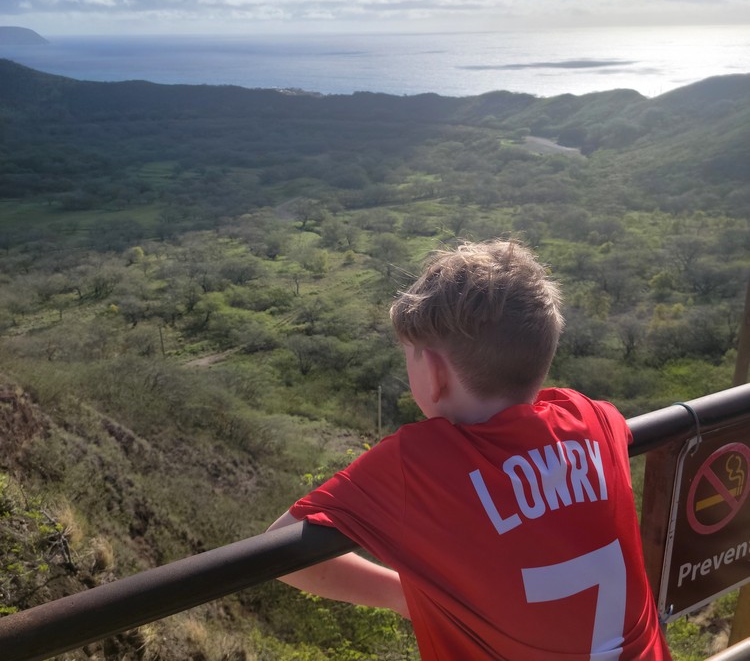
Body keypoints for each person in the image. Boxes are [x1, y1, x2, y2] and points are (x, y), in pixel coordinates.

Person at [268, 239, 671, 660]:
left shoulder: (417, 465)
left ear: (436, 374)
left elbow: (282, 551)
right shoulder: (594, 419)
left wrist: (401, 596)